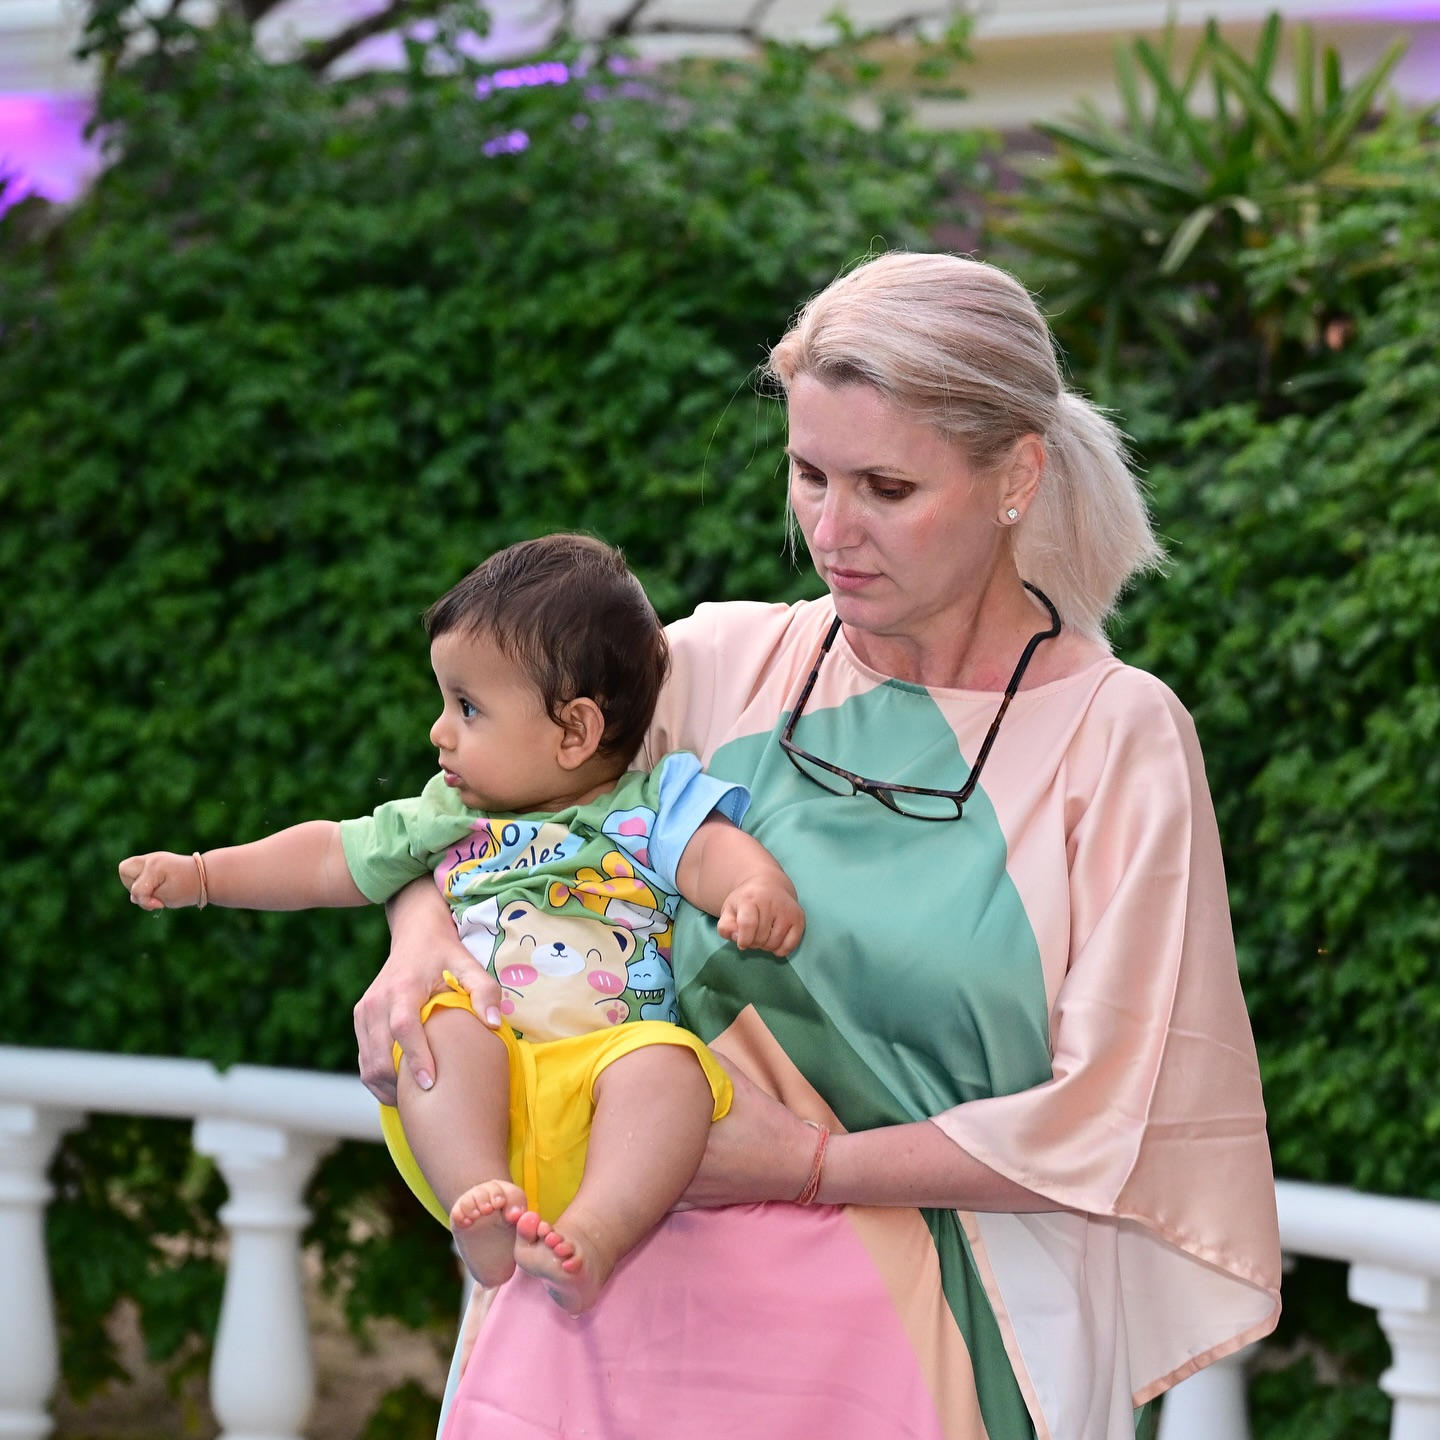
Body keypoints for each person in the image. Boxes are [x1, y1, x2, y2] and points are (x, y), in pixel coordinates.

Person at [355, 252, 1283, 1440]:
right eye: (809, 476)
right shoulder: (712, 666)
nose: (832, 532)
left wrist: (806, 1165)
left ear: (1018, 475)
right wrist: (419, 943)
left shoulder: (1116, 737)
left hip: (932, 1350)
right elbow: (460, 813)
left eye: (887, 487)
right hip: (602, 1339)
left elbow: (1118, 1114)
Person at [119, 533, 805, 1314]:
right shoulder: (446, 814)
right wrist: (207, 874)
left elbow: (712, 852)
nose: (439, 731)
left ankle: (595, 1234)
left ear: (574, 732)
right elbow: (330, 855)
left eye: (468, 708)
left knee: (671, 1068)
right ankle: (479, 1200)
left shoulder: (649, 809)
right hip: (485, 1097)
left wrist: (757, 888)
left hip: (605, 1098)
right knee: (439, 1025)